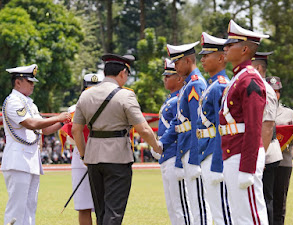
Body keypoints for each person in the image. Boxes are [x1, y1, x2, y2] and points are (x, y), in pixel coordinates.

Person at [71, 53, 162, 225]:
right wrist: (157, 147)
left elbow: (76, 129)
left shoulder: (86, 95)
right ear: (122, 73)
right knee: (114, 213)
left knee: (101, 211)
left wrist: (84, 156)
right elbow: (143, 128)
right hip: (117, 158)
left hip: (93, 158)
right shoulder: (125, 96)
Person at [1, 64, 71, 225]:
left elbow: (44, 129)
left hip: (30, 160)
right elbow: (31, 123)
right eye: (29, 81)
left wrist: (64, 122)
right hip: (18, 160)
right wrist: (58, 117)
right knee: (16, 209)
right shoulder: (13, 101)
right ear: (18, 82)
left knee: (30, 207)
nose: (33, 85)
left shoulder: (29, 104)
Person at [220, 19, 270, 225]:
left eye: (231, 45)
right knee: (240, 215)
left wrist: (248, 167)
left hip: (243, 154)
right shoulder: (238, 77)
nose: (226, 48)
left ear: (245, 49)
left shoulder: (250, 79)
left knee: (252, 215)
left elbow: (253, 127)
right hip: (233, 151)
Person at [160, 41, 211, 225]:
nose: (175, 67)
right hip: (185, 147)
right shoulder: (188, 86)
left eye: (177, 62)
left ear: (188, 61)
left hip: (193, 148)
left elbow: (198, 123)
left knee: (199, 206)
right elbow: (179, 122)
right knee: (194, 205)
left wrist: (195, 157)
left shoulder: (196, 85)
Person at [197, 32, 233, 225]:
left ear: (221, 58)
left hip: (214, 152)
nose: (202, 59)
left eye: (206, 55)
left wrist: (218, 163)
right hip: (206, 149)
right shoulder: (211, 86)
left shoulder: (220, 86)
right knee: (215, 208)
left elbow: (222, 127)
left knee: (222, 211)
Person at [153, 58, 188, 224]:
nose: (165, 78)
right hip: (166, 156)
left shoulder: (179, 99)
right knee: (173, 206)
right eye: (165, 75)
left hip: (175, 155)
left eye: (169, 75)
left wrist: (162, 144)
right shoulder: (171, 99)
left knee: (181, 207)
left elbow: (179, 127)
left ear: (180, 78)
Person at [70, 73, 104, 225]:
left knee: (102, 205)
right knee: (83, 206)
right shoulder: (73, 109)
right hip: (80, 157)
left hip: (103, 156)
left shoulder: (108, 107)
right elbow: (71, 134)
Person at [252, 51, 282, 225]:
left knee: (265, 198)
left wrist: (260, 156)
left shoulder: (265, 89)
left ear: (258, 67)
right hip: (261, 150)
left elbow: (267, 126)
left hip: (266, 151)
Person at [266, 76, 293, 225]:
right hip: (265, 161)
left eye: (277, 91)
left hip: (283, 162)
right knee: (266, 200)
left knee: (280, 200)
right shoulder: (259, 110)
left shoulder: (289, 113)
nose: (275, 94)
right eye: (272, 90)